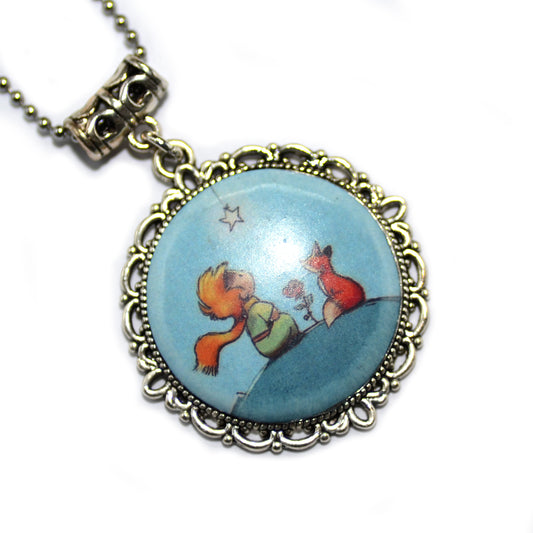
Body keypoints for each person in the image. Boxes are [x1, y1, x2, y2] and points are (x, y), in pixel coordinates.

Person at [194, 263, 300, 375]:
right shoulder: (256, 308)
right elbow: (275, 314)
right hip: (270, 343)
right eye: (240, 275)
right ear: (242, 293)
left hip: (265, 348)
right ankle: (295, 337)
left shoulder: (249, 314)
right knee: (285, 319)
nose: (245, 273)